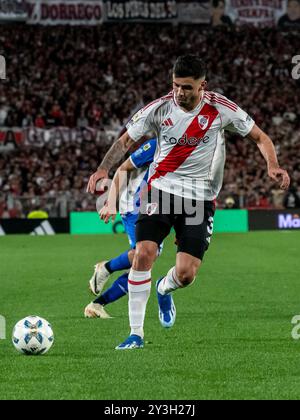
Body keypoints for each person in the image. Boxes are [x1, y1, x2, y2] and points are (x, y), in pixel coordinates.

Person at [87, 55, 290, 350]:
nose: (179, 92)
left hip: (199, 199)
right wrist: (103, 169)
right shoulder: (158, 108)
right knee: (144, 252)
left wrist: (273, 165)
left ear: (202, 86)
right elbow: (124, 142)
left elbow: (260, 137)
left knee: (185, 274)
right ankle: (136, 334)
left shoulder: (221, 109)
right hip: (159, 192)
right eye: (176, 86)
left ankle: (163, 288)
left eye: (187, 87)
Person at [85, 138, 167, 323]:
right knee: (144, 258)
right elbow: (123, 169)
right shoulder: (156, 146)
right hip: (133, 204)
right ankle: (106, 269)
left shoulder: (184, 149)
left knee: (145, 260)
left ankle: (97, 304)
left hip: (154, 206)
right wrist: (111, 203)